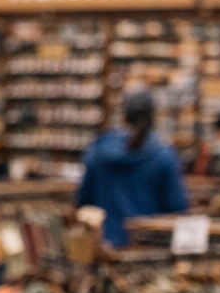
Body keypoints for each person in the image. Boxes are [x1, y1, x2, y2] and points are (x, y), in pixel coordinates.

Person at [75, 89, 190, 247]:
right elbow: (177, 209)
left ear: (124, 116)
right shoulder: (164, 157)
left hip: (101, 249)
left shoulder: (97, 151)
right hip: (146, 253)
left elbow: (83, 201)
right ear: (153, 117)